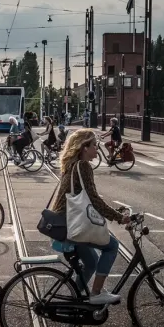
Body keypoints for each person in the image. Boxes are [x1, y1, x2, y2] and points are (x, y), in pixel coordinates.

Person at [49, 129, 130, 304]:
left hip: (63, 223)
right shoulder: (83, 166)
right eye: (94, 145)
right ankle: (96, 293)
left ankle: (76, 301)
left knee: (92, 261)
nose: (97, 149)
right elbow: (93, 199)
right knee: (111, 246)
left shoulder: (71, 164)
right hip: (71, 224)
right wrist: (118, 217)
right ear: (84, 147)